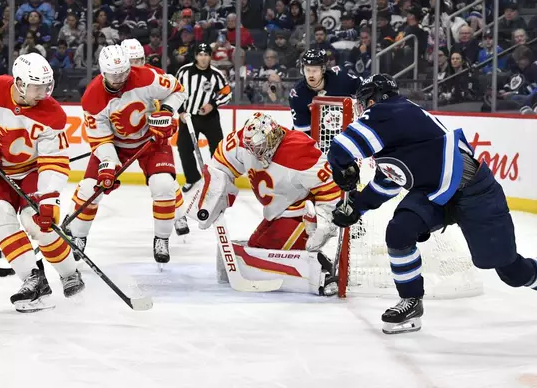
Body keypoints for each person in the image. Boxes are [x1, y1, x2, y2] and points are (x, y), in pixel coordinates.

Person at [327, 74, 537, 334]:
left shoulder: (390, 110)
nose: (361, 109)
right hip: (435, 193)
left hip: (474, 192)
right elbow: (390, 180)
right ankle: (411, 301)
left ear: (373, 99)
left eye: (363, 102)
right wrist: (357, 207)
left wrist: (342, 169)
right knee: (399, 231)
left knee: (509, 270)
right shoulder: (395, 128)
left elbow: (339, 150)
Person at [0, 53, 84, 312]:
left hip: (32, 171)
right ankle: (33, 280)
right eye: (37, 87)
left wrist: (48, 198)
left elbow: (52, 161)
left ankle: (70, 273)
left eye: (47, 86)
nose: (43, 93)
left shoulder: (53, 114)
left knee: (38, 224)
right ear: (20, 83)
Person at [187, 112, 341, 296]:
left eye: (260, 147)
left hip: (302, 213)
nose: (255, 153)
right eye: (252, 148)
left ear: (274, 136)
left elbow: (331, 186)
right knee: (255, 250)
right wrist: (211, 199)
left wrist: (325, 223)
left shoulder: (299, 150)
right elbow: (220, 165)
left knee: (264, 259)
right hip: (276, 211)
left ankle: (323, 275)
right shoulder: (244, 142)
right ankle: (317, 265)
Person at [66, 45, 188, 264]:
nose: (121, 78)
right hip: (115, 145)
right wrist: (109, 165)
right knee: (90, 188)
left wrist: (168, 111)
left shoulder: (147, 77)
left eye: (124, 72)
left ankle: (161, 239)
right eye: (114, 75)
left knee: (163, 185)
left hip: (151, 140)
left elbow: (179, 90)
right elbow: (100, 140)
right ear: (103, 72)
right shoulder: (92, 98)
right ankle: (79, 236)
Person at [175, 43, 232, 192]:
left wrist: (212, 104)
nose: (203, 57)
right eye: (200, 54)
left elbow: (227, 93)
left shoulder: (216, 74)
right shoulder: (183, 71)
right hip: (188, 117)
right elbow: (174, 91)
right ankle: (192, 178)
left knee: (217, 149)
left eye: (206, 54)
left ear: (210, 56)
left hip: (210, 118)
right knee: (184, 147)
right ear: (195, 56)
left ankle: (218, 180)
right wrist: (180, 111)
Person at [289, 48, 361, 136]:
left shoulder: (340, 77)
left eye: (315, 70)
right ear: (302, 70)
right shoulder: (297, 94)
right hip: (319, 137)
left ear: (323, 69)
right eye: (307, 70)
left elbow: (364, 89)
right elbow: (304, 134)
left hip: (347, 132)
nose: (311, 74)